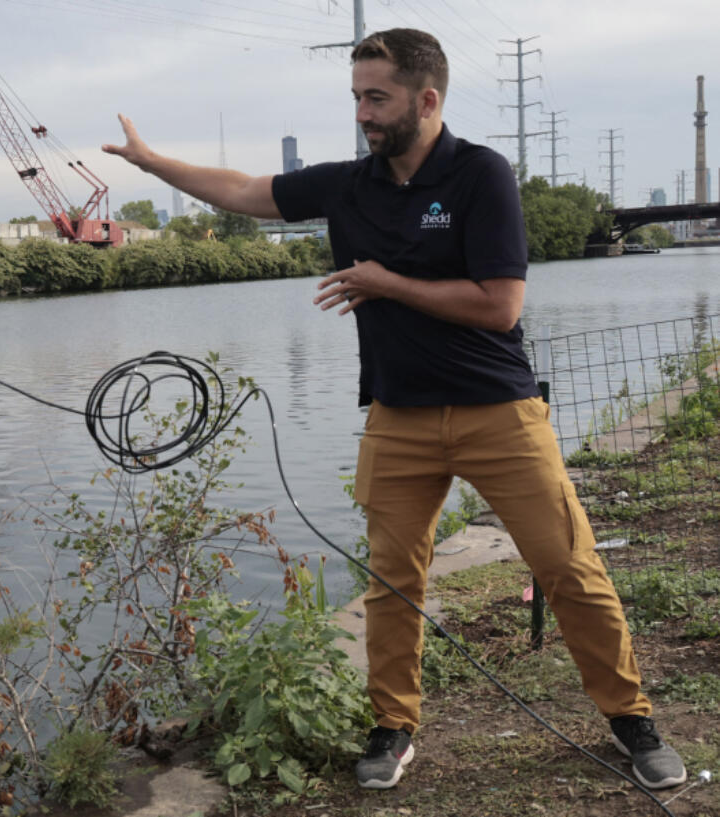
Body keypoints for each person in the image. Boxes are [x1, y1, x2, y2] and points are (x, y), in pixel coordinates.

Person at [102, 27, 686, 793]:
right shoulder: (349, 183)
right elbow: (248, 191)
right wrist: (153, 163)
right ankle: (393, 726)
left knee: (568, 566)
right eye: (356, 98)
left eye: (376, 98)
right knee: (392, 582)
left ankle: (632, 721)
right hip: (399, 417)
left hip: (498, 411)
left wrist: (385, 282)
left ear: (427, 98)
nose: (363, 114)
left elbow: (500, 305)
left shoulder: (481, 175)